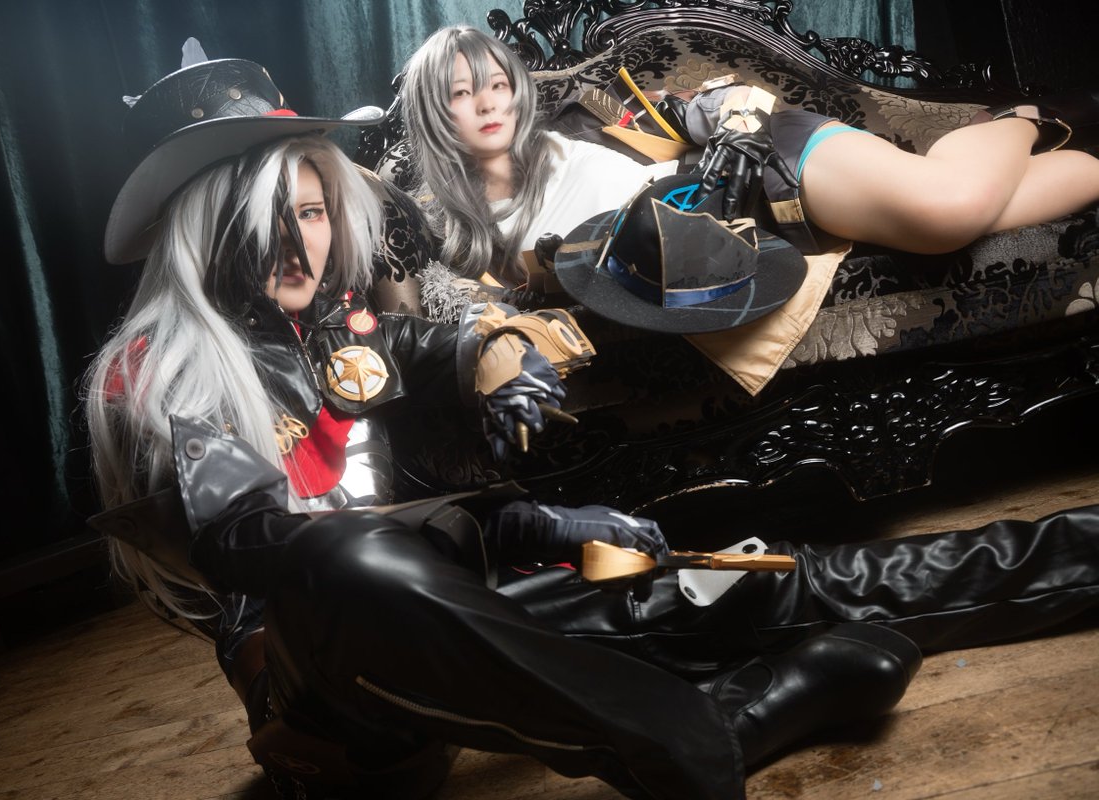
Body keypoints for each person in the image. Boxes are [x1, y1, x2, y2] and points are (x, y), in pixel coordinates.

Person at [85, 51, 1099, 800]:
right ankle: (688, 741)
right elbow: (259, 546)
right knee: (344, 554)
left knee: (730, 575)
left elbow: (449, 339)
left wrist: (501, 357)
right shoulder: (158, 373)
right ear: (203, 230)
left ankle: (766, 697)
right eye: (264, 217)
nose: (297, 241)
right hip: (340, 718)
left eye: (310, 212)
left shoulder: (333, 329)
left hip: (460, 623)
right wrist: (510, 522)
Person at [400, 25, 1099, 289]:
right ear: (436, 112)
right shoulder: (463, 236)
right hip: (741, 244)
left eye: (498, 84)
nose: (489, 103)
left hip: (768, 168)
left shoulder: (580, 126)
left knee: (949, 214)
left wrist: (729, 112)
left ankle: (1016, 118)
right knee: (1009, 205)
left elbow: (698, 107)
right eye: (462, 93)